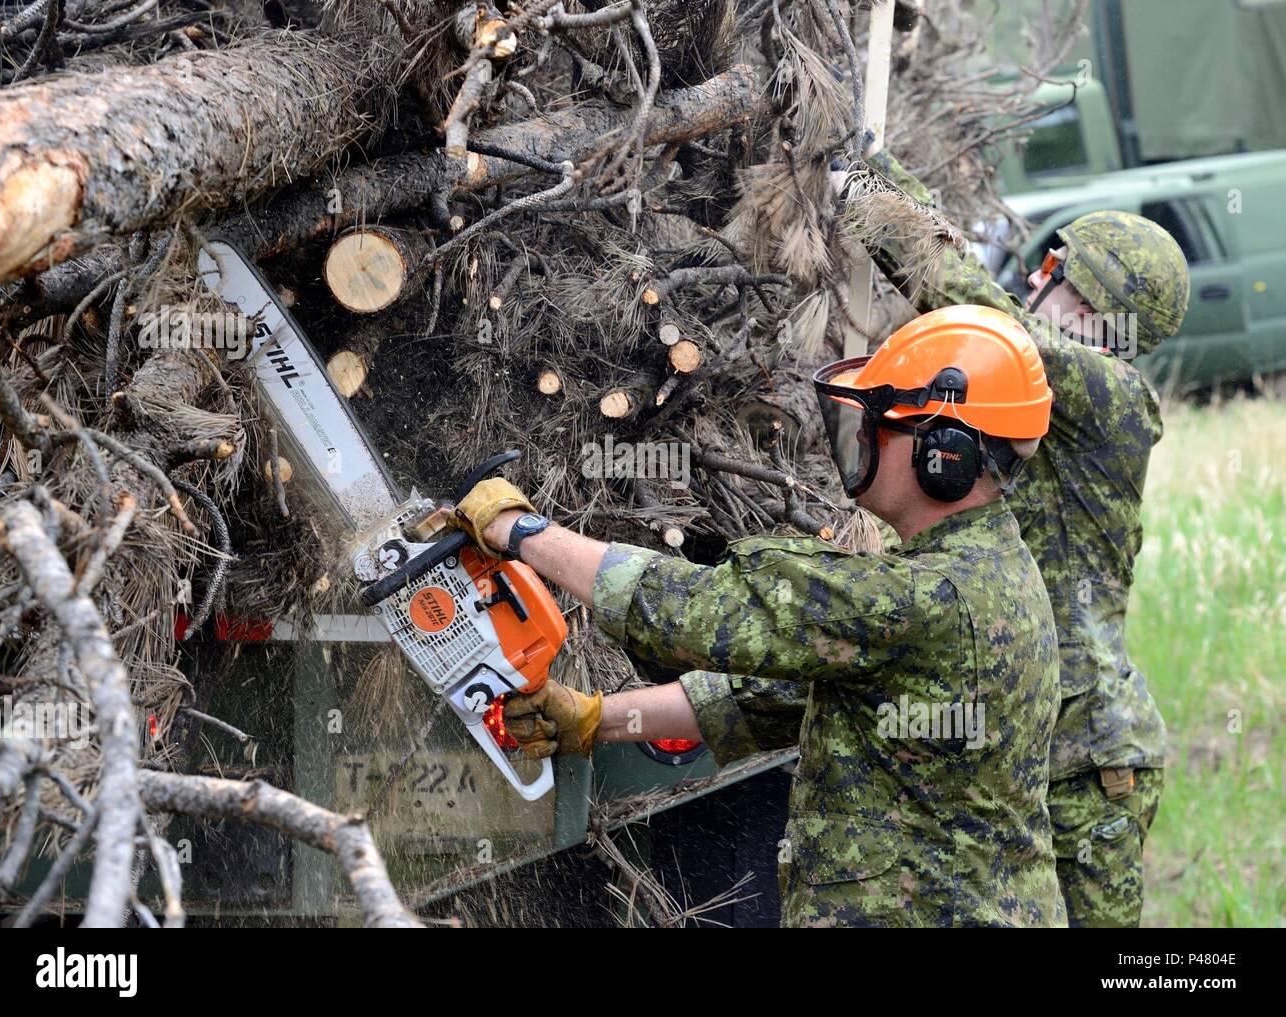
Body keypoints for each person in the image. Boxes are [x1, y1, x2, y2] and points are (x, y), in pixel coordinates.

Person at [450, 305, 1067, 927]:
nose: (863, 439)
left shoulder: (924, 596)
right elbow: (772, 699)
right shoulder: (990, 567)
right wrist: (595, 719)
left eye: (880, 424)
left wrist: (519, 531)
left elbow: (693, 612)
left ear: (945, 454)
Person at [843, 150, 1188, 926]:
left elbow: (987, 318)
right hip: (1035, 746)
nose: (1034, 284)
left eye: (1052, 276)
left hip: (1088, 759)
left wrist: (868, 184)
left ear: (1093, 300)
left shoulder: (1110, 397)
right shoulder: (1052, 405)